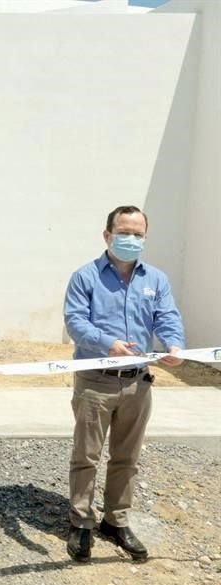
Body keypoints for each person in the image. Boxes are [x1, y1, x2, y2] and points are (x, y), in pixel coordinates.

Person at [63, 205, 184, 563]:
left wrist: (174, 344)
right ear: (107, 235)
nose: (131, 239)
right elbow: (75, 322)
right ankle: (81, 522)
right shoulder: (85, 277)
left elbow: (167, 318)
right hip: (96, 380)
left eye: (138, 234)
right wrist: (108, 344)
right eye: (124, 232)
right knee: (86, 455)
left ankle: (115, 520)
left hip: (138, 383)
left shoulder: (156, 280)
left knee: (126, 457)